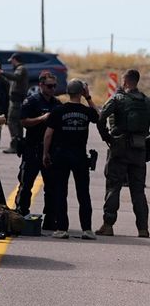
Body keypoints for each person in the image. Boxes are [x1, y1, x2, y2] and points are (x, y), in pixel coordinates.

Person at [95, 69, 150, 238]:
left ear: (125, 82)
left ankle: (108, 225)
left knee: (113, 186)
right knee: (138, 190)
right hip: (139, 149)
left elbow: (101, 118)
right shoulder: (147, 101)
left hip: (119, 149)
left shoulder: (118, 99)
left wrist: (107, 138)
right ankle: (143, 229)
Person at [42, 79, 99, 239]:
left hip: (60, 155)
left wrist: (46, 153)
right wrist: (88, 98)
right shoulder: (86, 111)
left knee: (61, 192)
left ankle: (62, 229)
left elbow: (48, 134)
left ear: (68, 92)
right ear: (82, 92)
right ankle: (87, 230)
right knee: (83, 193)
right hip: (80, 156)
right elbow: (98, 116)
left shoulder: (58, 110)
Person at [13, 72, 61, 227]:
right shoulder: (32, 101)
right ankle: (21, 214)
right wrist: (42, 118)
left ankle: (50, 218)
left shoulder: (57, 104)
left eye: (54, 86)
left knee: (52, 186)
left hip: (50, 150)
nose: (52, 89)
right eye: (49, 86)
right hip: (32, 148)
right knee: (26, 184)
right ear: (41, 85)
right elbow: (23, 122)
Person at [0, 52, 28, 153]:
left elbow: (16, 77)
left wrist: (2, 73)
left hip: (16, 100)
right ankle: (18, 145)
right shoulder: (19, 69)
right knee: (17, 122)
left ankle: (15, 145)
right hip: (15, 100)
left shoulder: (21, 69)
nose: (11, 63)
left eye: (12, 61)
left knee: (12, 122)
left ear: (15, 60)